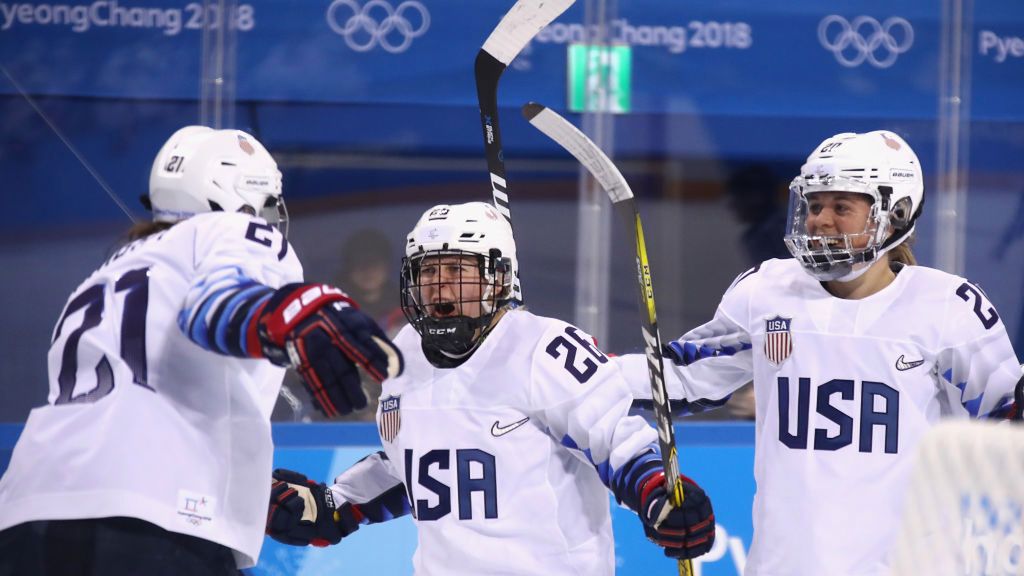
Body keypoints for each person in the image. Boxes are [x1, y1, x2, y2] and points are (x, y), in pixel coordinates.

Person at [0, 126, 401, 575]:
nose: (268, 218)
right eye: (266, 204)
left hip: (25, 511)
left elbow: (139, 405)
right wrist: (287, 315)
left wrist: (249, 490)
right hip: (155, 515)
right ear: (239, 197)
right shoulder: (232, 230)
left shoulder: (103, 275)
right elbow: (214, 306)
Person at [620, 130, 1022, 575]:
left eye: (841, 207)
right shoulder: (766, 291)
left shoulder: (949, 307)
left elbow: (1005, 421)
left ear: (897, 213)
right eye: (814, 206)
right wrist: (586, 375)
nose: (820, 220)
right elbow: (680, 378)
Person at [263, 201, 716, 574]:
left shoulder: (544, 348)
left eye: (458, 271)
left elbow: (616, 440)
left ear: (498, 278)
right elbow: (417, 466)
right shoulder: (404, 356)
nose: (439, 287)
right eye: (427, 272)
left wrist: (659, 493)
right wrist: (338, 503)